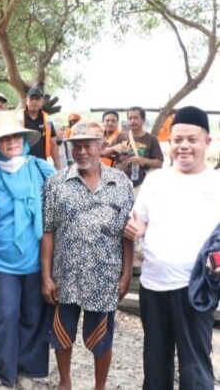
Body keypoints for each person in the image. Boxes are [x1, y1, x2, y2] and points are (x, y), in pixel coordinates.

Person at [124, 106, 220, 390]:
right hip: (153, 286)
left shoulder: (216, 184)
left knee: (194, 367)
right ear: (170, 142)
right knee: (155, 365)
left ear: (207, 142)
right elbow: (140, 221)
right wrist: (134, 228)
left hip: (195, 288)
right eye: (178, 140)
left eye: (192, 139)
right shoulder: (156, 180)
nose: (184, 146)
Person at [41, 120, 134, 390]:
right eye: (76, 146)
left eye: (88, 146)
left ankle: (99, 386)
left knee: (102, 339)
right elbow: (48, 231)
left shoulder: (121, 182)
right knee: (62, 334)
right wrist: (46, 277)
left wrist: (126, 274)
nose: (81, 151)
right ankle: (65, 382)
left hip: (104, 277)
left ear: (101, 145)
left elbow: (128, 233)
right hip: (66, 276)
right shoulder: (56, 183)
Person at [0, 110, 55, 388]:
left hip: (37, 258)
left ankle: (27, 368)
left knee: (33, 316)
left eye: (16, 136)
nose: (11, 142)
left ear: (23, 139)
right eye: (4, 138)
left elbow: (63, 200)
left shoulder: (41, 169)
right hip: (2, 260)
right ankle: (0, 368)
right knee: (6, 315)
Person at [104, 106, 164, 193]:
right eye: (130, 118)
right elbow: (104, 153)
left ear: (143, 120)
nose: (132, 121)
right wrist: (113, 148)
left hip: (138, 186)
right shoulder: (121, 135)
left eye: (135, 118)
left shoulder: (151, 139)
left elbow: (159, 163)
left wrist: (143, 160)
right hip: (116, 184)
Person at [21, 87, 62, 170]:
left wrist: (57, 164)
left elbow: (53, 144)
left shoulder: (47, 119)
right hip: (22, 163)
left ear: (41, 102)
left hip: (42, 163)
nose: (34, 101)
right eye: (32, 98)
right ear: (26, 100)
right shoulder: (18, 117)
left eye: (37, 99)